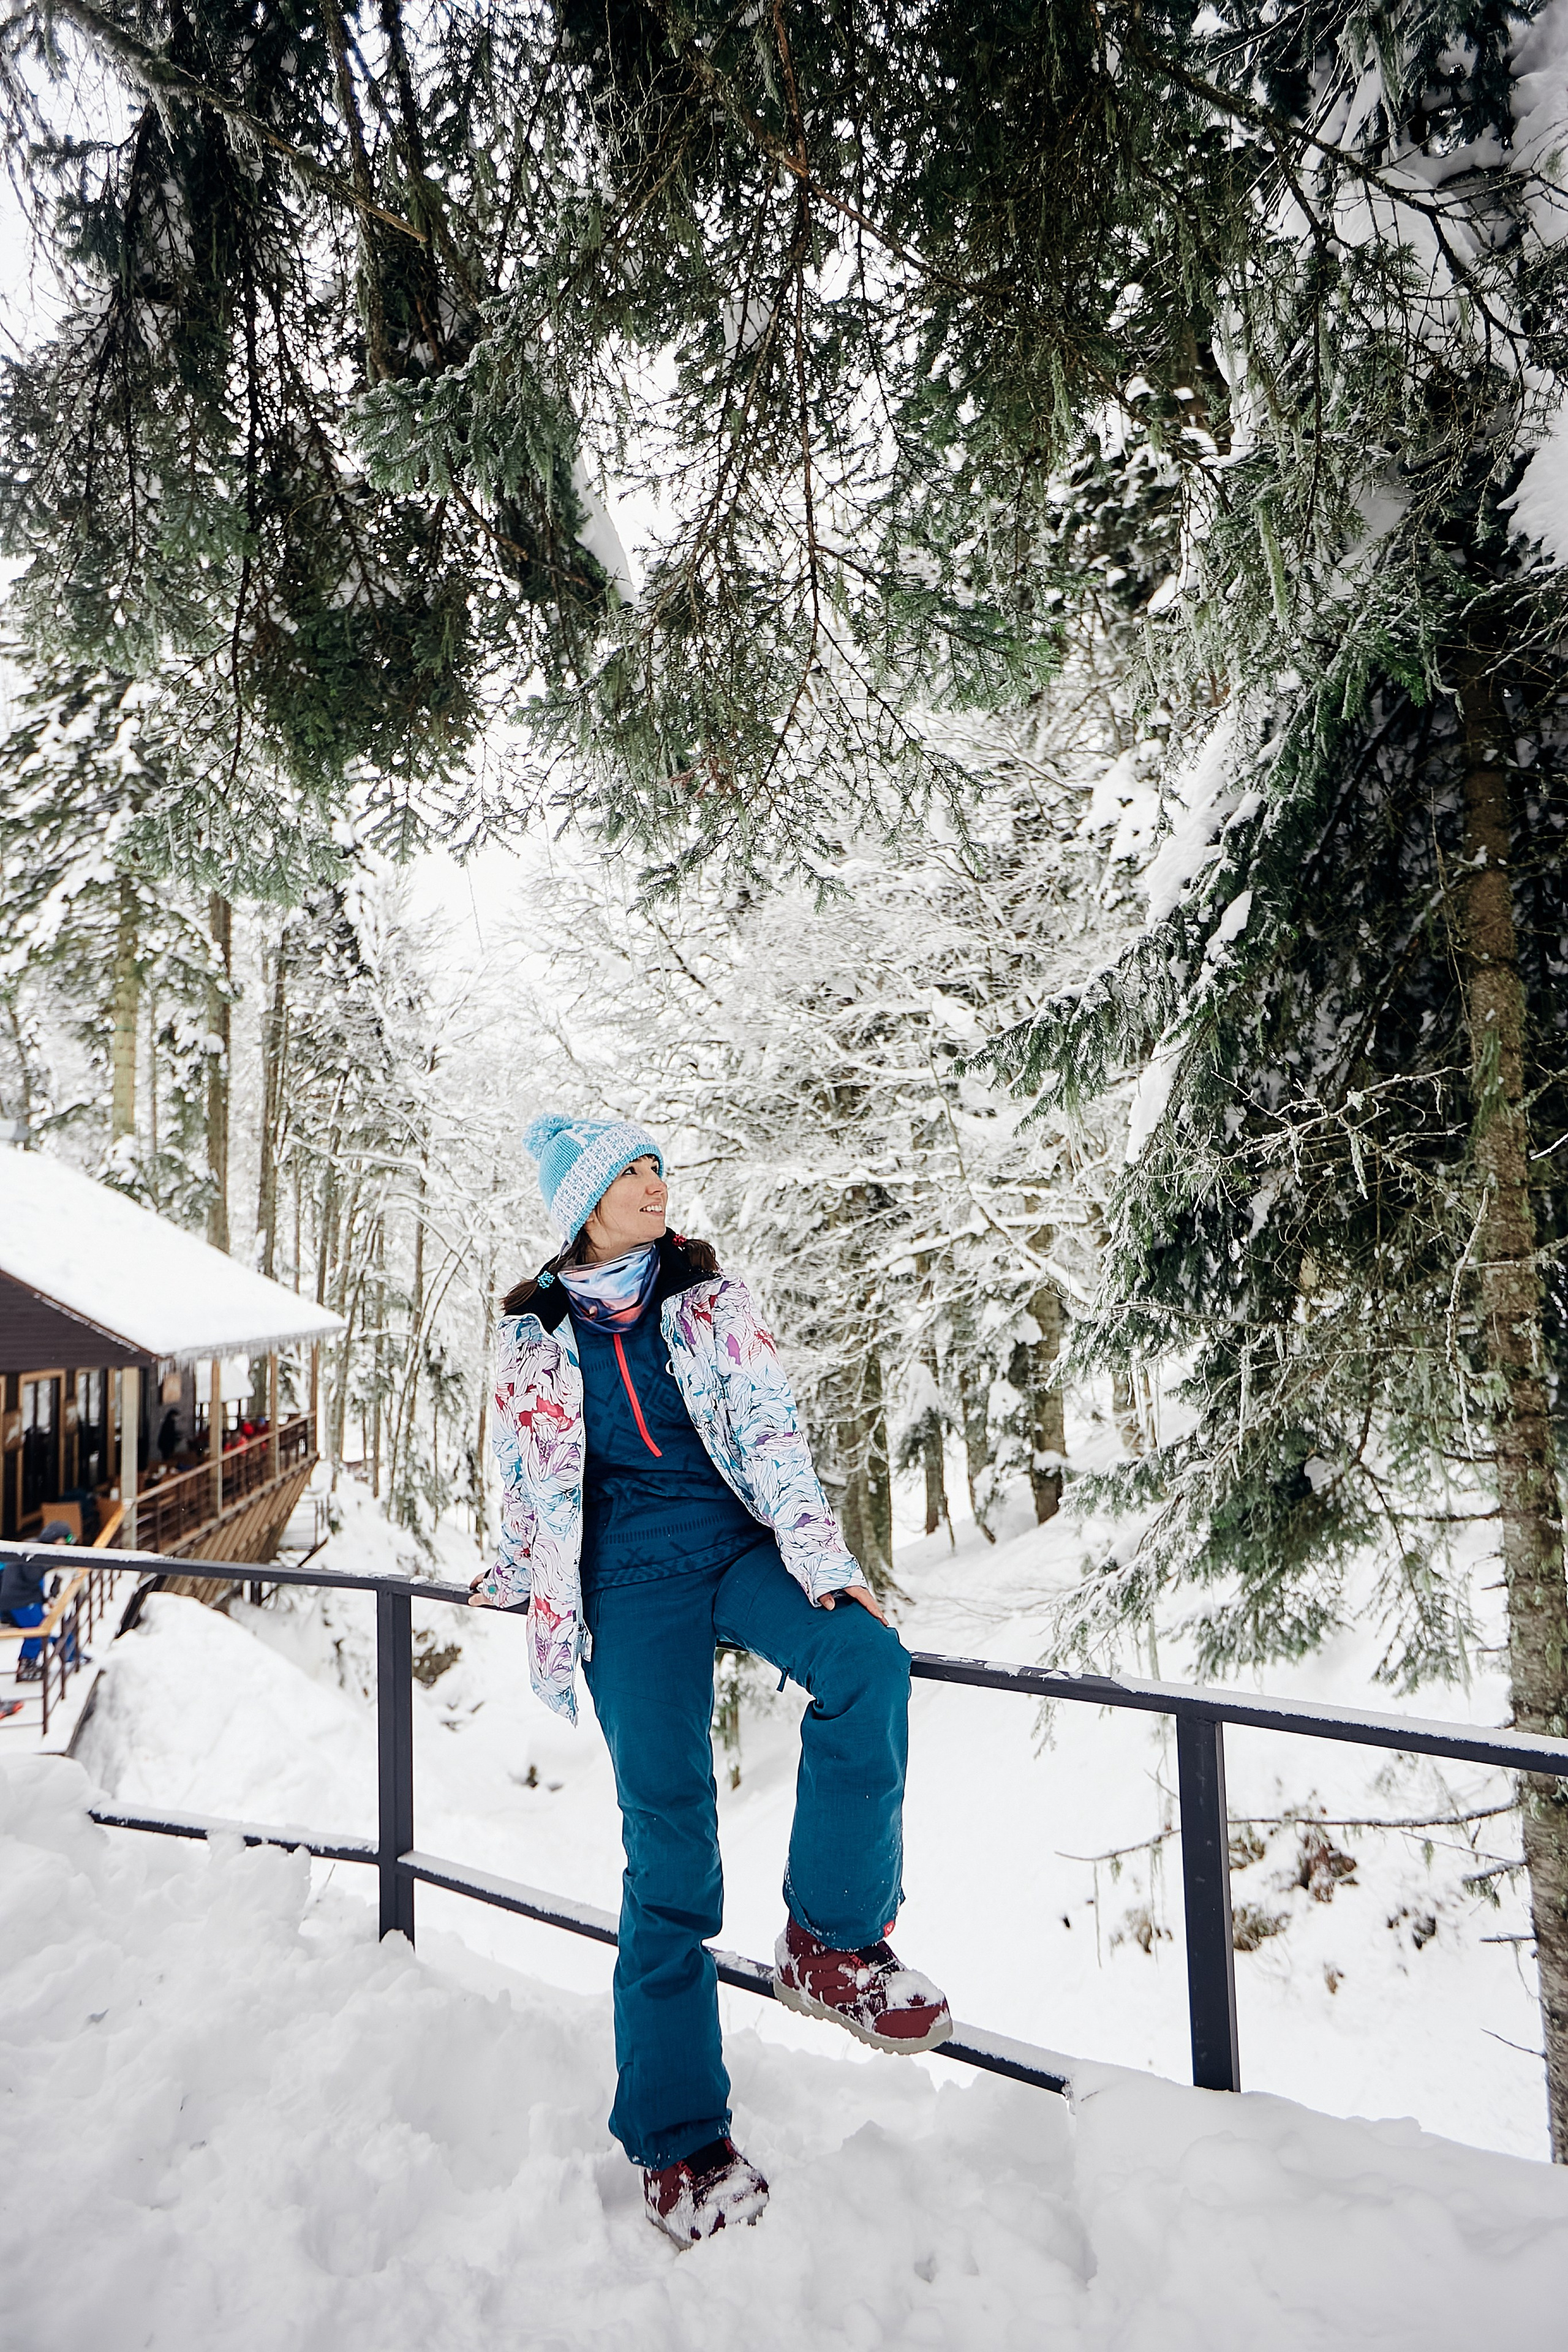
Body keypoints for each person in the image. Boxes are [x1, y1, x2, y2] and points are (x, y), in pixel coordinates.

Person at [470, 1115, 951, 2249]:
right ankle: (680, 2139)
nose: (655, 1185)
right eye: (631, 1173)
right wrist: (514, 1577)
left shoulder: (706, 1301)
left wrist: (826, 1567)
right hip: (628, 1580)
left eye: (657, 1169)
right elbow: (519, 1471)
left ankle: (830, 1940)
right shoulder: (532, 1338)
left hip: (735, 1544)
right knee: (672, 1845)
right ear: (584, 1203)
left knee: (866, 1663)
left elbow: (774, 1435)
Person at [1, 1520, 74, 1679]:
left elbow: (35, 1581)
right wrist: (51, 1566)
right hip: (19, 1601)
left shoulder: (39, 1548)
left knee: (44, 1630)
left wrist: (44, 1598)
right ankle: (27, 1667)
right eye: (65, 1540)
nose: (66, 1544)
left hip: (26, 1598)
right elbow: (32, 1576)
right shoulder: (34, 1549)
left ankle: (70, 1653)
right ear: (56, 1538)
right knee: (37, 1632)